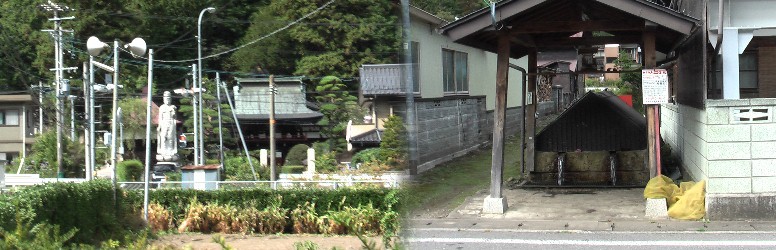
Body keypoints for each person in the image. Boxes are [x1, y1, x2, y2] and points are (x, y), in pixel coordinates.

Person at [156, 91, 178, 161]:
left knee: (170, 137)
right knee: (163, 137)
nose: (167, 99)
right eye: (166, 98)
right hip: (164, 123)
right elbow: (160, 117)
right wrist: (159, 126)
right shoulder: (162, 107)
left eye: (169, 98)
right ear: (163, 98)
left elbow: (175, 117)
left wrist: (174, 111)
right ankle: (163, 152)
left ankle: (170, 151)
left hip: (171, 122)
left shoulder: (173, 107)